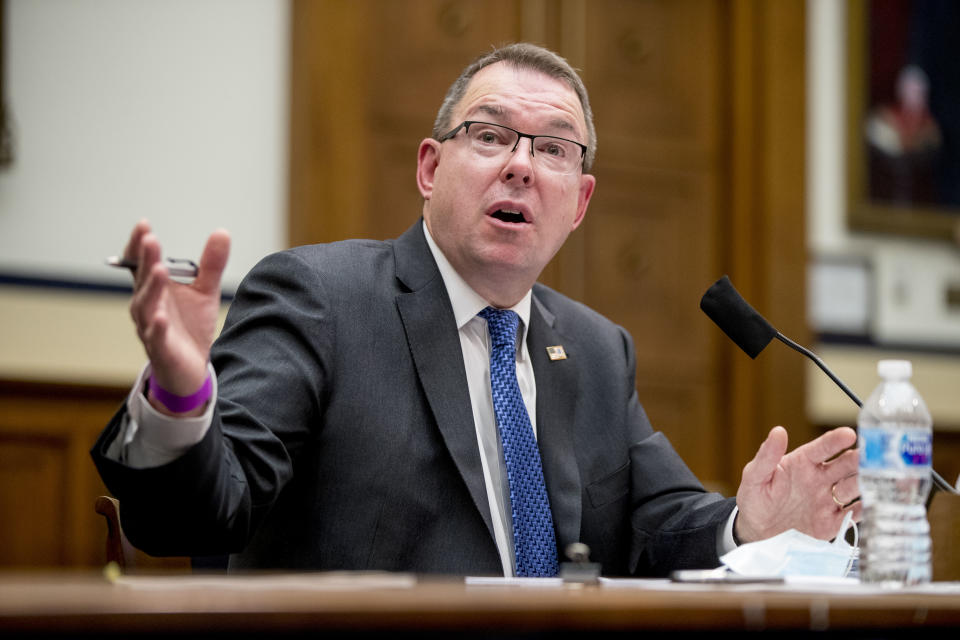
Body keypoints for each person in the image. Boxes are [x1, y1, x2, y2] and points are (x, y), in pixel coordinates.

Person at [92, 43, 860, 576]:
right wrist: (181, 399)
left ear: (580, 203)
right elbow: (196, 519)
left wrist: (750, 524)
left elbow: (661, 525)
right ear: (431, 167)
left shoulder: (596, 350)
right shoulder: (320, 299)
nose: (522, 166)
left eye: (554, 149)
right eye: (490, 136)